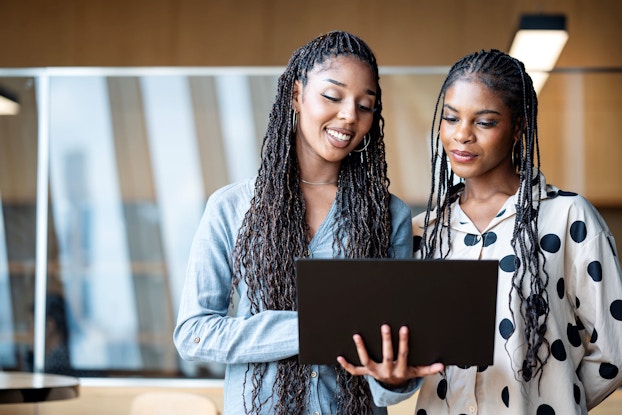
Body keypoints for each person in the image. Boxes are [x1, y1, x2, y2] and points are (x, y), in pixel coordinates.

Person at [339, 49, 622, 414]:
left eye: (484, 122)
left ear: (518, 125)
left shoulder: (567, 217)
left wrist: (553, 400)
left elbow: (614, 350)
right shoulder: (423, 232)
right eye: (451, 118)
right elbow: (405, 356)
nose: (462, 135)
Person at [173, 30, 416, 415]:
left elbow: (393, 364)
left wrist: (393, 376)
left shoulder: (389, 215)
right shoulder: (231, 208)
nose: (349, 116)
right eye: (332, 97)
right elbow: (194, 334)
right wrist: (312, 328)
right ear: (297, 95)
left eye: (365, 106)